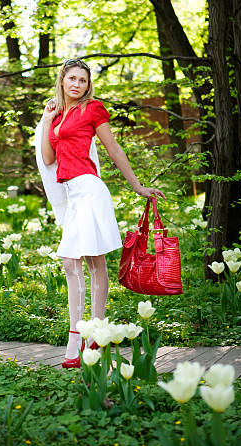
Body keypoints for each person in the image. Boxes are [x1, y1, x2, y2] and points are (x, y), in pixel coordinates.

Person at [35, 58, 166, 368]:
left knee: (84, 261)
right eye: (72, 79)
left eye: (83, 79)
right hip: (72, 195)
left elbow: (113, 149)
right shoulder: (56, 116)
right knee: (79, 262)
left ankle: (89, 333)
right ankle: (85, 336)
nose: (77, 84)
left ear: (87, 84)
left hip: (90, 191)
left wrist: (138, 187)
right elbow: (47, 157)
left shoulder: (92, 110)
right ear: (63, 81)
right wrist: (45, 118)